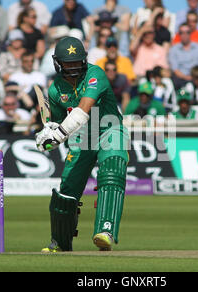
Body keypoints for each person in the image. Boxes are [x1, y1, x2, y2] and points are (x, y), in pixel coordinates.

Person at [34, 36, 129, 252]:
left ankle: (105, 231)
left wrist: (59, 134)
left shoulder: (95, 74)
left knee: (112, 170)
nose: (73, 67)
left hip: (110, 129)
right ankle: (60, 241)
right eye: (68, 63)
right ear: (58, 63)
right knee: (67, 189)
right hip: (81, 138)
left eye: (77, 62)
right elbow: (56, 124)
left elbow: (83, 109)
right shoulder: (56, 89)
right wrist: (48, 134)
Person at [169, 23, 198, 89]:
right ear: (179, 34)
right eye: (182, 32)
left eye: (187, 32)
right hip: (181, 79)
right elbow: (175, 69)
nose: (185, 35)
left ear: (190, 33)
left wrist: (196, 77)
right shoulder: (174, 50)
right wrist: (187, 78)